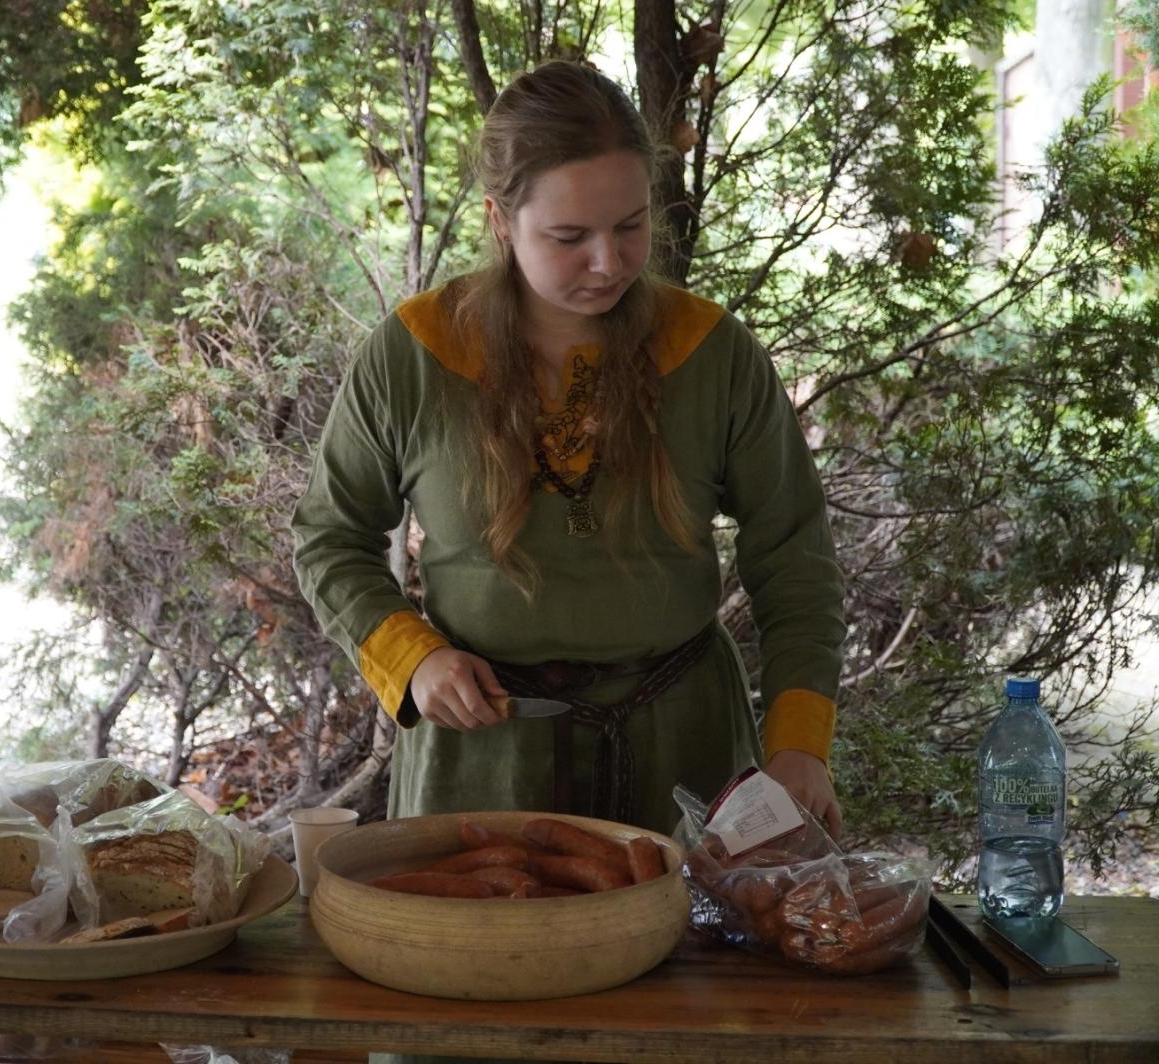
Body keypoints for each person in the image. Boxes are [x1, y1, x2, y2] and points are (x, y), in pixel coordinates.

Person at [291, 59, 846, 843]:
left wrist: (798, 745)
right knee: (484, 959)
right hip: (482, 761)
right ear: (499, 220)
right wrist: (411, 658)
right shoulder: (414, 355)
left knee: (693, 963)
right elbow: (329, 537)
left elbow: (795, 559)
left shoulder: (711, 355)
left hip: (685, 754)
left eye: (630, 226)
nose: (609, 263)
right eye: (569, 236)